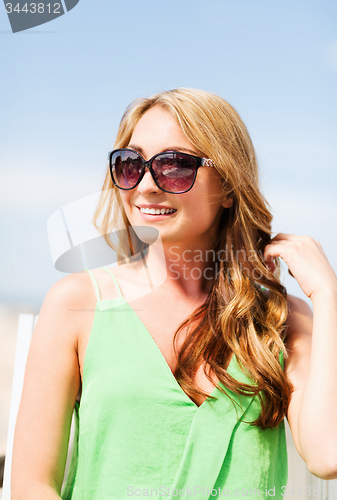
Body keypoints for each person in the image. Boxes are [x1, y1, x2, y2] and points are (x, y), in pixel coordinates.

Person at [11, 88, 337, 500]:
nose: (145, 185)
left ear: (229, 186)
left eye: (174, 166)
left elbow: (328, 455)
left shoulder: (281, 319)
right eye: (130, 165)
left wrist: (328, 295)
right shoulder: (76, 303)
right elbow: (31, 485)